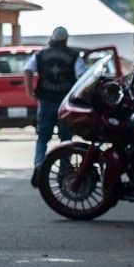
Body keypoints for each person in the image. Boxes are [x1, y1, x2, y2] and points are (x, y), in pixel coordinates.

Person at [24, 26, 85, 187]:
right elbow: (81, 76)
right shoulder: (73, 55)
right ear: (65, 40)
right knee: (66, 139)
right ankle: (64, 170)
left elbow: (28, 70)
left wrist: (30, 91)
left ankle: (39, 166)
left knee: (43, 137)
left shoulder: (41, 54)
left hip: (45, 101)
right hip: (65, 104)